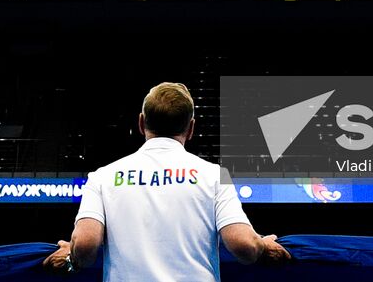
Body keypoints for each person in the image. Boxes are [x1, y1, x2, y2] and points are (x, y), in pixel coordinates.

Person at [42, 82, 290, 279]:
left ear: (141, 123)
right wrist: (262, 246)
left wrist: (70, 256)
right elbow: (245, 247)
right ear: (191, 128)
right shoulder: (214, 175)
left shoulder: (104, 176)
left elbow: (84, 247)